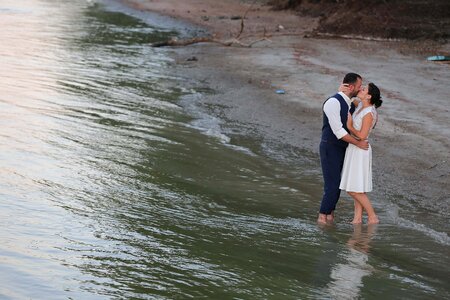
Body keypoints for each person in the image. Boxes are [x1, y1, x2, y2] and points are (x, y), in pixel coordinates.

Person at [318, 73, 369, 224]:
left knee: (337, 186)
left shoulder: (349, 102)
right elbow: (339, 132)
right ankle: (322, 217)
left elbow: (361, 106)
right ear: (351, 87)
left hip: (342, 148)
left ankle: (329, 216)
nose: (361, 89)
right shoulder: (333, 102)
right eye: (360, 86)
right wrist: (358, 143)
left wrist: (355, 95)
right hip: (330, 147)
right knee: (332, 185)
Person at [340, 83, 382, 224]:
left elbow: (362, 136)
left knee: (352, 189)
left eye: (363, 89)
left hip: (360, 148)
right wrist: (343, 91)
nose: (360, 89)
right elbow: (352, 99)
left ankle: (372, 216)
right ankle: (357, 219)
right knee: (357, 186)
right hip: (354, 148)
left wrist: (350, 126)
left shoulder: (369, 112)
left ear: (369, 96)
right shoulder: (361, 106)